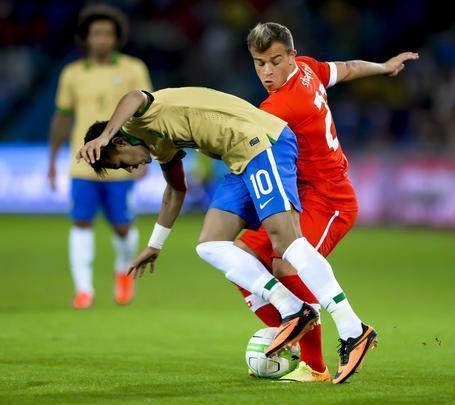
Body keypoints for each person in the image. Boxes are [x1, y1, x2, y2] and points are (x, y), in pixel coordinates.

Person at [77, 86, 377, 384]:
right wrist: (155, 244)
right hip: (239, 158)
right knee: (210, 244)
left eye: (120, 162)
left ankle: (353, 329)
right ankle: (292, 309)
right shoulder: (158, 144)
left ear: (117, 139)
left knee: (284, 242)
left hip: (262, 142)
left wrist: (102, 136)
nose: (130, 169)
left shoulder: (138, 119)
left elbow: (134, 95)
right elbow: (175, 190)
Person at [234, 23, 419, 383]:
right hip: (303, 196)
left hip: (330, 199)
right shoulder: (306, 68)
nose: (267, 72)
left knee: (286, 265)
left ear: (290, 54)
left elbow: (238, 143)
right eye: (259, 64)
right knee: (241, 256)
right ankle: (292, 330)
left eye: (275, 61)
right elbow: (347, 68)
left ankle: (316, 364)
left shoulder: (282, 105)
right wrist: (383, 66)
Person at [47, 4, 152, 309]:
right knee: (81, 222)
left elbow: (146, 116)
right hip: (83, 165)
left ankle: (123, 273)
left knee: (122, 225)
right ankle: (84, 290)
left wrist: (142, 155)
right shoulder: (72, 73)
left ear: (117, 37)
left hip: (119, 161)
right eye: (96, 33)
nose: (102, 39)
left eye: (108, 32)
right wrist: (53, 160)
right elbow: (62, 117)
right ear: (86, 38)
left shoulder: (133, 68)